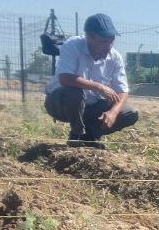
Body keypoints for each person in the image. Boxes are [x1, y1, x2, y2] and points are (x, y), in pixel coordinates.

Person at [44, 13, 138, 146]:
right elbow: (65, 78)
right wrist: (99, 87)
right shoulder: (72, 46)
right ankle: (77, 134)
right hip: (60, 103)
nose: (109, 46)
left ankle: (89, 137)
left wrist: (113, 112)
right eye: (104, 41)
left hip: (91, 107)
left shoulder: (115, 57)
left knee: (130, 113)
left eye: (111, 40)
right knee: (75, 91)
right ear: (90, 37)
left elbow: (123, 91)